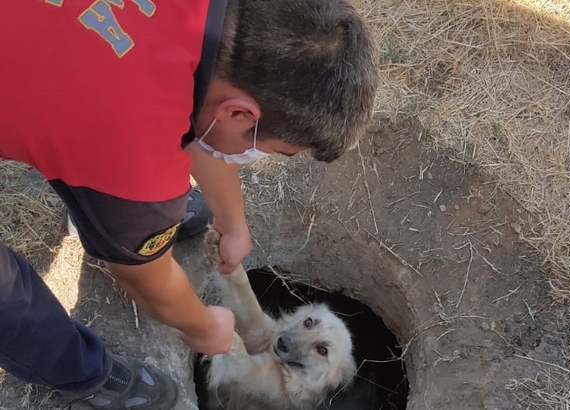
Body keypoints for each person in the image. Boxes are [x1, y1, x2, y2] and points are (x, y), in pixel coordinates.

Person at [0, 0, 378, 408]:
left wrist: (234, 222)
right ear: (238, 113)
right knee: (6, 293)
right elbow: (144, 280)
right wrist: (202, 329)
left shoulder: (215, 23)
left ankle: (102, 212)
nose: (260, 157)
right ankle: (81, 371)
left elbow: (198, 119)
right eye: (273, 149)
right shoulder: (137, 170)